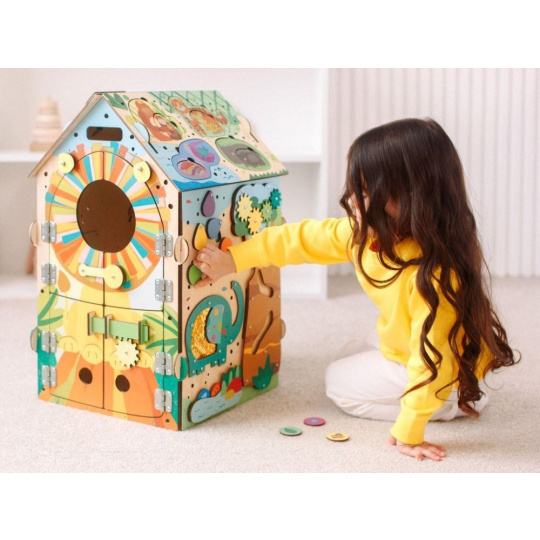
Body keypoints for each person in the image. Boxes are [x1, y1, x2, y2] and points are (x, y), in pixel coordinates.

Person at [193, 118, 519, 462]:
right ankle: (441, 395)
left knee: (337, 383)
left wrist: (410, 429)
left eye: (363, 194)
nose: (350, 201)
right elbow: (299, 240)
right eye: (353, 189)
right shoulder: (366, 235)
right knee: (348, 355)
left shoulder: (436, 275)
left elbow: (433, 361)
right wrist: (234, 260)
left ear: (409, 198)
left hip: (444, 372)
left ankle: (449, 404)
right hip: (410, 343)